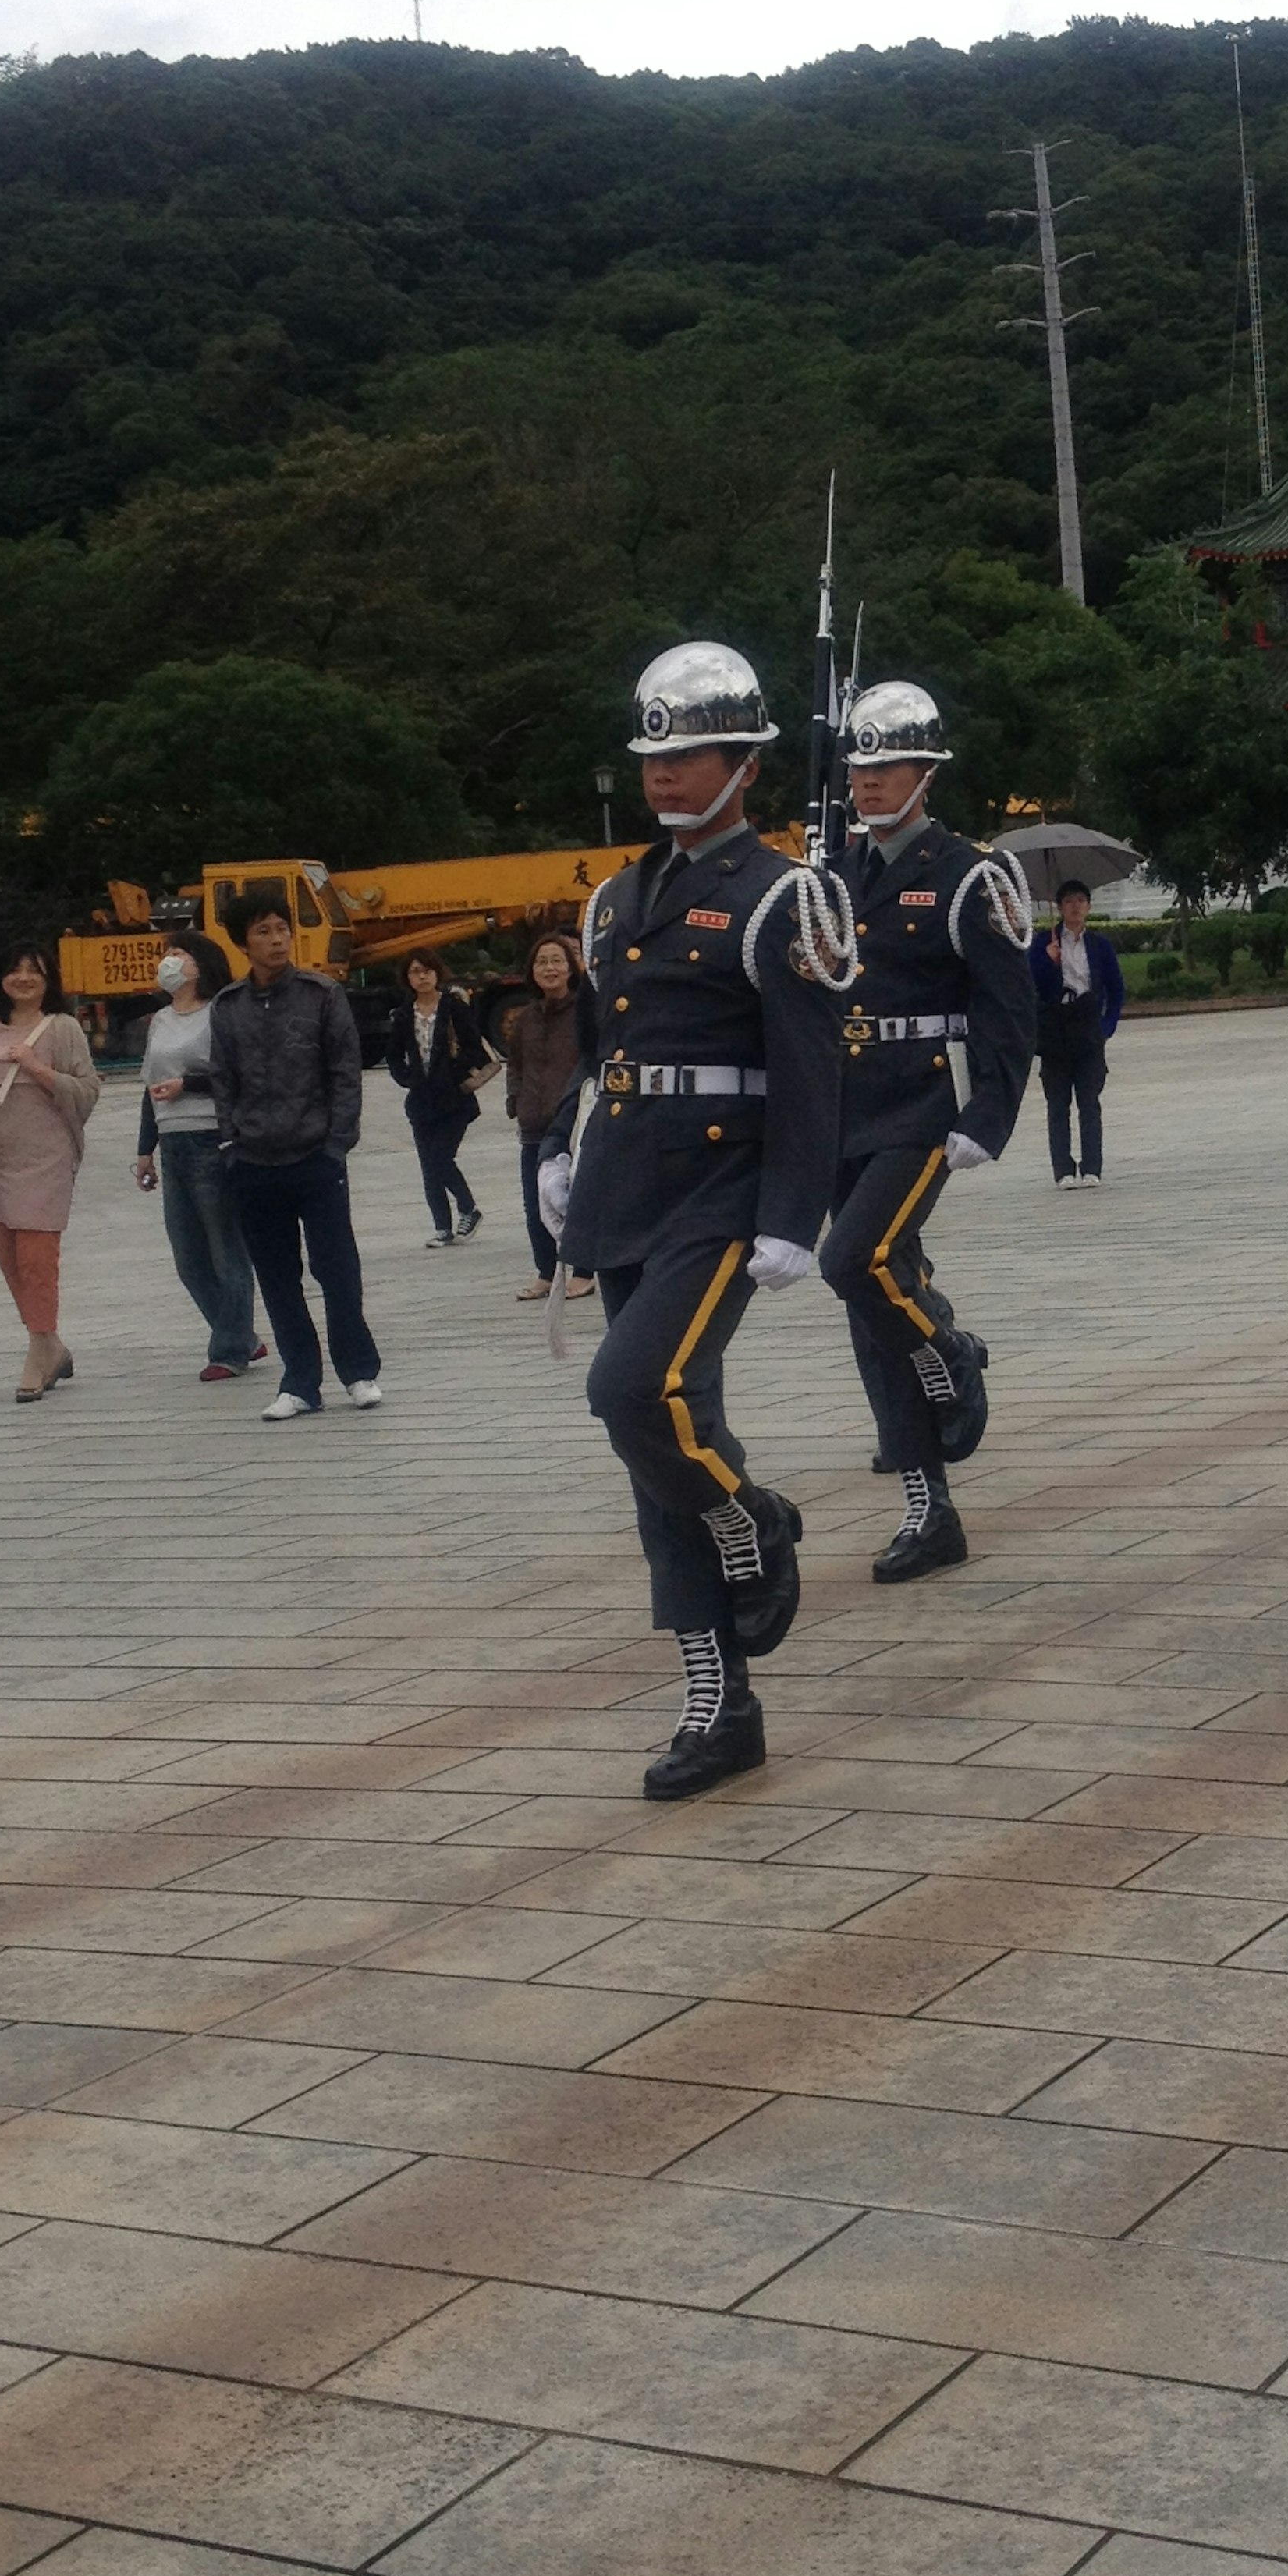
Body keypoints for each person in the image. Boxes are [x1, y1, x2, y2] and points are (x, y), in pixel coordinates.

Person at [559, 641, 850, 1797]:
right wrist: (563, 1158)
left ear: (746, 764)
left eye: (692, 755)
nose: (668, 774)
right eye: (656, 756)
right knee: (655, 1452)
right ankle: (717, 1705)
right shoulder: (614, 898)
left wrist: (796, 1214)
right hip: (632, 1182)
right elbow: (604, 1053)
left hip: (725, 1191)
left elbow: (814, 1070)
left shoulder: (786, 894)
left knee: (632, 1392)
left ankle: (756, 1521)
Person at [818, 679, 1037, 1584]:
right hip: (845, 1106)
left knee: (853, 1261)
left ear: (926, 771)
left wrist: (991, 1112)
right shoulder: (835, 873)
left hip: (923, 1105)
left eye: (888, 765)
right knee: (877, 1314)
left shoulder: (967, 872)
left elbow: (1009, 1010)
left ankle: (950, 1349)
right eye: (860, 765)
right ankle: (927, 1508)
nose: (869, 782)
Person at [208, 896, 382, 1419]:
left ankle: (359, 1371)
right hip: (254, 1162)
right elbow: (223, 1081)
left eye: (282, 928)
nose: (278, 939)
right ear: (244, 942)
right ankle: (301, 1382)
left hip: (316, 1156)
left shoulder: (322, 994)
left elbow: (345, 1072)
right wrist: (230, 1143)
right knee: (278, 1277)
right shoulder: (227, 1006)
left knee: (337, 1269)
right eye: (264, 930)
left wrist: (338, 1142)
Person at [0, 939, 99, 1401]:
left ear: (49, 978)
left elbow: (88, 1090)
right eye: (14, 970)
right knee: (10, 1258)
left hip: (47, 1160)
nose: (24, 979)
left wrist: (37, 1069)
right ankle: (51, 1342)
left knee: (37, 1260)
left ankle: (37, 1350)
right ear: (1, 979)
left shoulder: (63, 1028)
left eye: (34, 970)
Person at [131, 934, 263, 1381]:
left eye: (180, 955)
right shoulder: (161, 1020)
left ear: (201, 964)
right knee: (188, 1257)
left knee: (226, 1251)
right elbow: (150, 1088)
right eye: (167, 955)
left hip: (213, 1138)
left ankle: (229, 1350)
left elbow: (240, 1076)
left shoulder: (221, 1012)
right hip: (173, 1144)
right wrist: (144, 1149)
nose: (169, 962)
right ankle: (241, 1333)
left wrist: (190, 1085)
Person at [501, 930, 598, 1300]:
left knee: (578, 1201)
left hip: (574, 1125)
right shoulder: (526, 1017)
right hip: (533, 1124)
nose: (550, 968)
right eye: (542, 962)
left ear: (571, 967)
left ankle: (584, 1271)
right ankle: (545, 1272)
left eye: (557, 960)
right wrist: (516, 1101)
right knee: (535, 1204)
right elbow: (516, 1065)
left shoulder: (584, 1011)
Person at [385, 949, 495, 1249]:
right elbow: (393, 1054)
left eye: (426, 971)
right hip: (421, 1101)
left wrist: (455, 1074)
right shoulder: (405, 1013)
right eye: (414, 972)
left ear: (436, 973)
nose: (421, 977)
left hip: (454, 1100)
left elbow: (474, 1046)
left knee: (439, 1158)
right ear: (407, 978)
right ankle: (442, 1227)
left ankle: (468, 1208)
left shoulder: (453, 1007)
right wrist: (406, 1078)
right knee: (428, 1165)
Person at [1029, 881, 1123, 1186]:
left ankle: (1092, 1166)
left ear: (1089, 907)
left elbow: (1115, 989)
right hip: (1056, 1029)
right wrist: (1049, 961)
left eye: (1081, 900)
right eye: (1069, 901)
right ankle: (1063, 1170)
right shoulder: (1044, 943)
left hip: (1087, 1028)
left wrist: (1106, 1027)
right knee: (1058, 1105)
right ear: (1060, 907)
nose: (1075, 906)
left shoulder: (1099, 946)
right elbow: (1031, 987)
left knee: (1089, 1101)